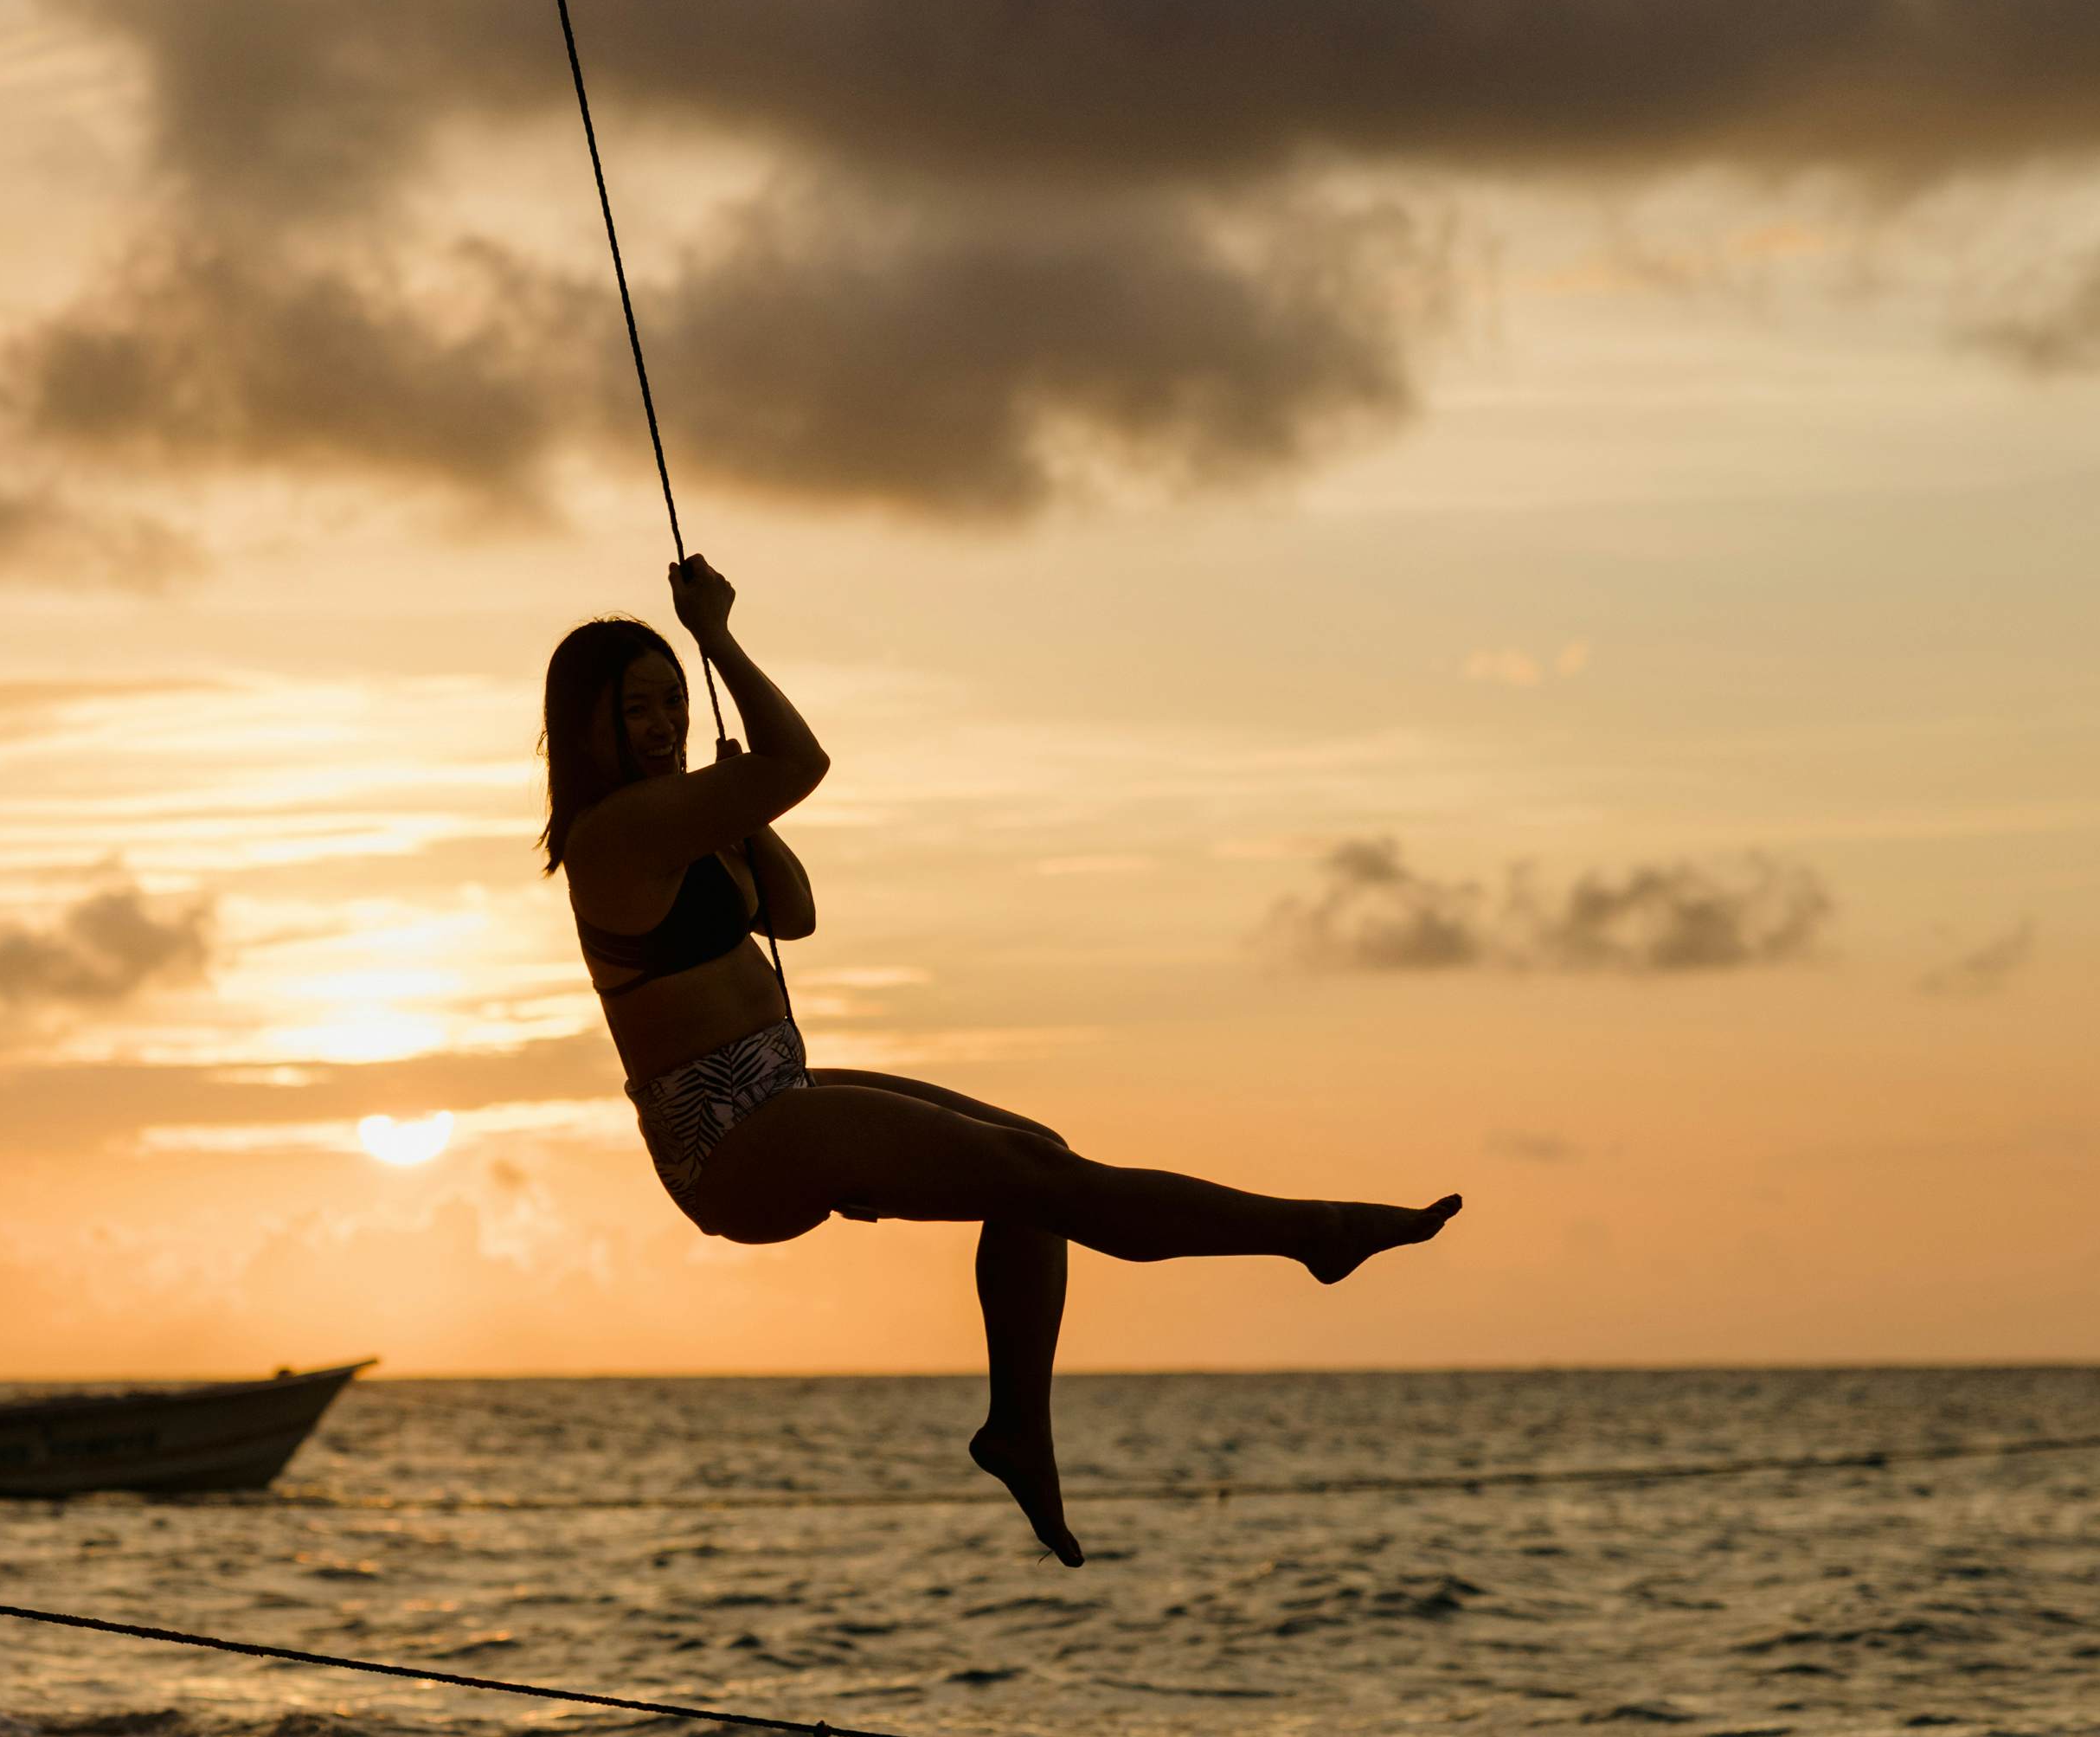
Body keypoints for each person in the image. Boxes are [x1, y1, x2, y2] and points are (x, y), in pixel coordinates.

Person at [550, 556, 1456, 1567]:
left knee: (1034, 1155)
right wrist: (718, 638)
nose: (668, 721)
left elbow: (795, 914)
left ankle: (1018, 1425)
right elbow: (803, 762)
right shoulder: (616, 833)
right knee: (1046, 1182)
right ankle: (1312, 1234)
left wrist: (739, 803)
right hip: (728, 1136)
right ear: (589, 726)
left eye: (677, 696)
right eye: (641, 707)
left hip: (776, 1089)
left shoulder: (684, 824)